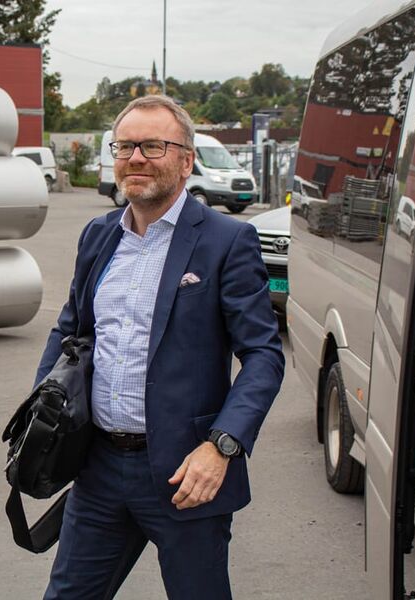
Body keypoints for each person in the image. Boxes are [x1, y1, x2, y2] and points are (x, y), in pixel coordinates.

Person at [35, 95, 285, 599]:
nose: (135, 158)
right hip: (99, 469)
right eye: (124, 146)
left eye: (153, 145)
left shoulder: (226, 240)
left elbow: (263, 354)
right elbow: (70, 332)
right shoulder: (99, 235)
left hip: (187, 474)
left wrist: (222, 446)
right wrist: (45, 405)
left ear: (186, 160)